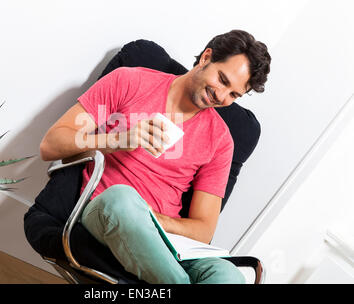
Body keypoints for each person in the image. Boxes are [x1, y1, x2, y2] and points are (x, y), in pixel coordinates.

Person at [40, 30, 271, 284]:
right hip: (108, 211)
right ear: (207, 57)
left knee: (227, 275)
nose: (222, 96)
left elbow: (203, 230)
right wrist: (117, 140)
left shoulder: (221, 140)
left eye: (234, 95)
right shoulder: (130, 82)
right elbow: (50, 144)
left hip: (165, 239)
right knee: (123, 199)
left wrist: (151, 217)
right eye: (222, 80)